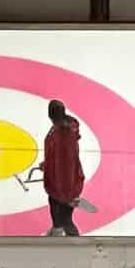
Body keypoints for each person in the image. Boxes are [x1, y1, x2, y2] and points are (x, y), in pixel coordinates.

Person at [43, 99, 85, 238]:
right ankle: (56, 231)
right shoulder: (60, 128)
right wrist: (47, 164)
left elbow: (67, 168)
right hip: (58, 184)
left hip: (64, 188)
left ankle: (75, 243)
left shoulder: (63, 137)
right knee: (56, 213)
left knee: (66, 219)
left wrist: (67, 196)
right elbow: (56, 156)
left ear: (51, 115)